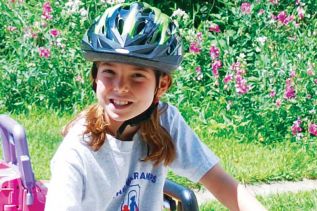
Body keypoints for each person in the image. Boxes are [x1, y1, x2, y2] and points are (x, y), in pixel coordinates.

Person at [45, 2, 267, 211]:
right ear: (95, 78)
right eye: (109, 72)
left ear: (161, 85)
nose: (121, 87)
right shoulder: (77, 151)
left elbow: (218, 180)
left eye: (137, 76)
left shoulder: (165, 121)